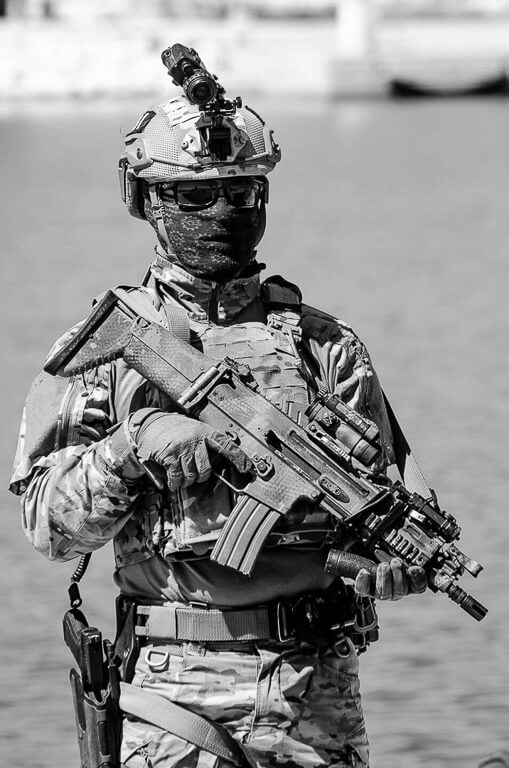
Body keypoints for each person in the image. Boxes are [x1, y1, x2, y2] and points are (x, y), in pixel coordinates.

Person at [10, 47, 427, 768]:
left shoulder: (327, 347)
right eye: (196, 197)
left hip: (314, 689)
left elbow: (389, 506)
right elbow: (48, 528)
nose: (225, 213)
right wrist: (133, 445)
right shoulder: (109, 348)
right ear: (144, 199)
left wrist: (387, 567)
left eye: (244, 193)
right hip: (170, 692)